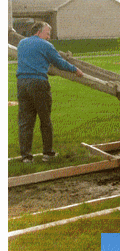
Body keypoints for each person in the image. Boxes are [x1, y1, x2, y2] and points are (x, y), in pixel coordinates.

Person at [16, 21, 84, 163]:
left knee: (25, 121)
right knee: (45, 119)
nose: (49, 37)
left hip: (22, 83)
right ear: (39, 32)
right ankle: (48, 154)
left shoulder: (22, 44)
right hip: (38, 84)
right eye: (47, 33)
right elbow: (59, 62)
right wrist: (75, 69)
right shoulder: (46, 45)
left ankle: (26, 157)